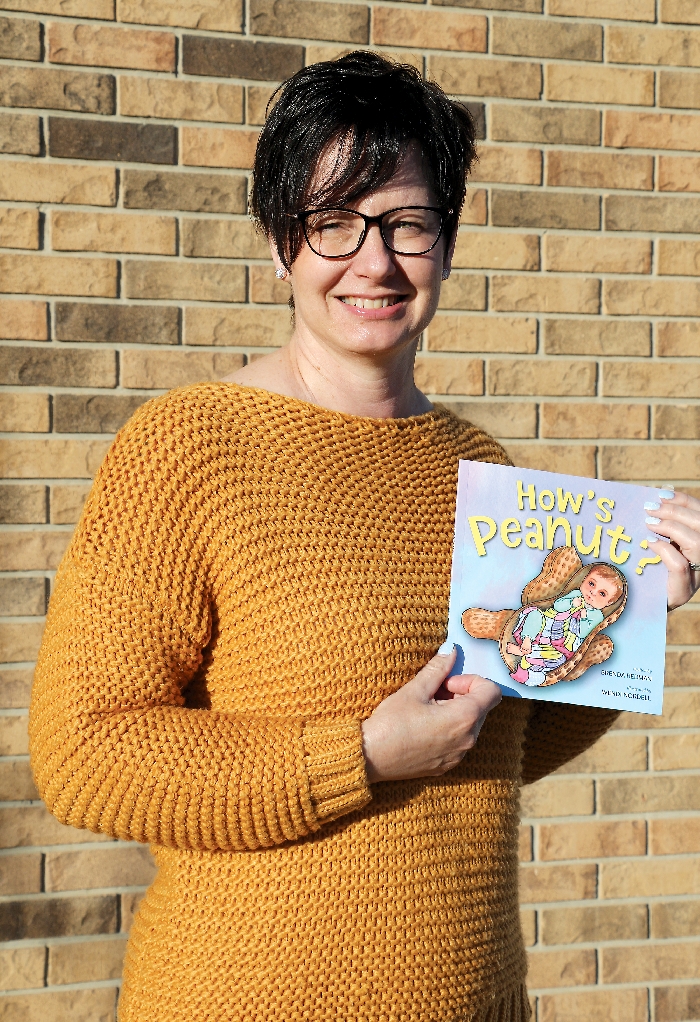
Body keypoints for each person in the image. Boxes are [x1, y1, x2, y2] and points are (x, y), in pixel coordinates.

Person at [28, 52, 700, 1022]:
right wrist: (362, 755)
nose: (373, 261)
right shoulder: (189, 448)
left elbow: (494, 742)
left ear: (448, 242)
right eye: (332, 223)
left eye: (407, 224)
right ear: (278, 244)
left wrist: (639, 606)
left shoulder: (487, 472)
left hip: (468, 992)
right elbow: (86, 755)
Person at [507, 564, 625, 686]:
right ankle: (527, 640)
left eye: (602, 594)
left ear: (609, 602)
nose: (593, 592)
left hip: (562, 642)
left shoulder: (596, 615)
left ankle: (527, 655)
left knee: (559, 659)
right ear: (584, 580)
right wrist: (571, 603)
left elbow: (583, 633)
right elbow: (557, 605)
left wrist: (584, 618)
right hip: (548, 624)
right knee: (535, 614)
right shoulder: (575, 594)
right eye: (591, 584)